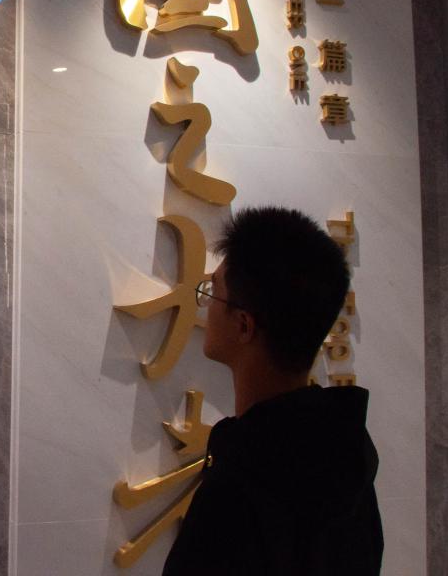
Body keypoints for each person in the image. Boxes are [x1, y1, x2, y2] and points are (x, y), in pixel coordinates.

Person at [162, 206, 382, 575]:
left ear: (243, 325)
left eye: (213, 293)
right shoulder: (348, 460)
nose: (205, 306)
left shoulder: (239, 487)